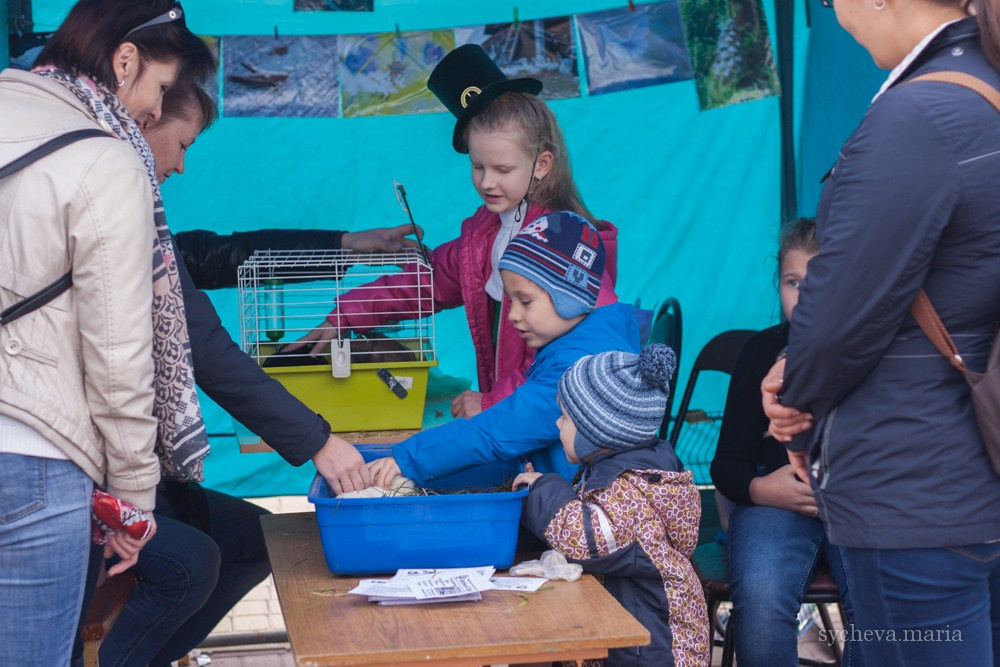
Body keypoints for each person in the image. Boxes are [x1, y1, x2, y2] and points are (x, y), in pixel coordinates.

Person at [82, 82, 426, 667]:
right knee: (192, 564)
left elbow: (223, 254)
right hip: (90, 476)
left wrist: (349, 246)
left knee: (253, 536)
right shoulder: (110, 221)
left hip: (135, 472)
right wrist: (318, 441)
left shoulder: (147, 226)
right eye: (182, 143)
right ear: (141, 123)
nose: (182, 165)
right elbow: (211, 353)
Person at [761, 2, 1000, 664]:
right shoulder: (986, 87)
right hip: (977, 468)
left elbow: (837, 319)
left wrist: (792, 403)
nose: (836, 14)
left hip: (915, 481)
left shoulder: (915, 116)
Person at [0, 0, 214, 662]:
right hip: (33, 455)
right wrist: (133, 501)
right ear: (125, 61)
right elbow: (120, 356)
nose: (153, 109)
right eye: (157, 88)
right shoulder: (106, 160)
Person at [287, 44, 620, 419]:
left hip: (554, 429)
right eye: (478, 167)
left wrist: (493, 403)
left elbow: (565, 367)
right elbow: (428, 281)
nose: (487, 183)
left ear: (542, 164)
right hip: (512, 420)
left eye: (503, 170)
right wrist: (344, 314)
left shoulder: (563, 246)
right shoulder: (485, 234)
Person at [366, 210, 639, 489]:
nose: (512, 315)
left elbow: (496, 433)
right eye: (510, 300)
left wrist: (408, 459)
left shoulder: (579, 369)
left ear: (569, 298)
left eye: (525, 301)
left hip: (573, 517)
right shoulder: (581, 341)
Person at [710, 219, 860, 666]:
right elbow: (727, 464)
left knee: (878, 603)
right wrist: (761, 490)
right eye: (794, 282)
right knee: (759, 598)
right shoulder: (759, 353)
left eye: (821, 282)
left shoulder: (874, 352)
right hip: (776, 505)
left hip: (858, 507)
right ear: (779, 284)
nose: (805, 295)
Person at [513, 344, 709, 666]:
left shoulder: (632, 490)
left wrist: (544, 488)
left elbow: (583, 536)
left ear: (599, 431)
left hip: (652, 652)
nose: (557, 425)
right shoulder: (621, 475)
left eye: (565, 417)